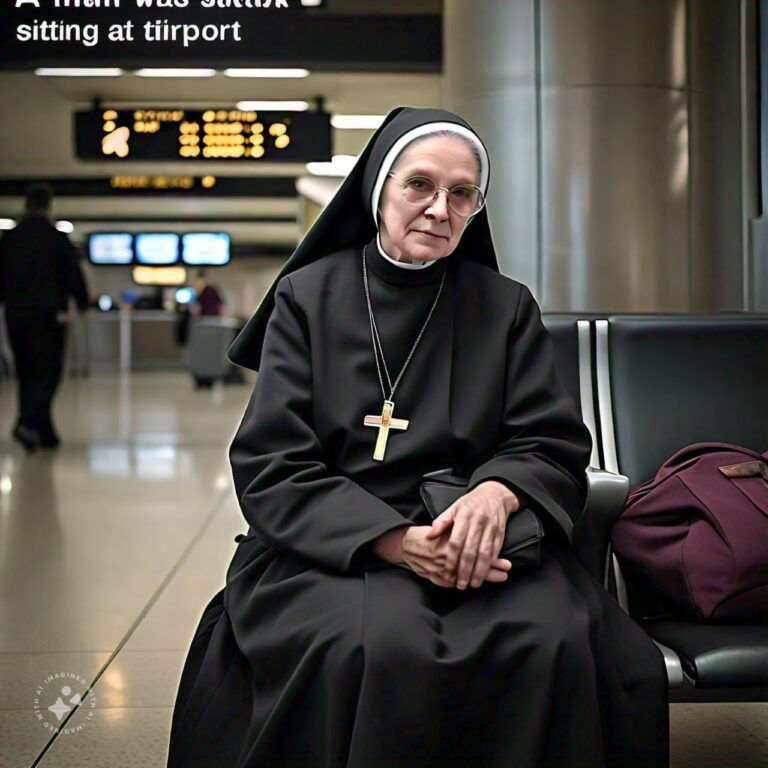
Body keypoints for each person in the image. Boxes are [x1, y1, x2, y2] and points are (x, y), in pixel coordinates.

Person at [167, 107, 669, 768]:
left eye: (461, 194)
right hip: (337, 545)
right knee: (373, 645)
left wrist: (497, 495)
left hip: (478, 539)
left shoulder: (505, 304)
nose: (439, 209)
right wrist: (395, 542)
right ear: (379, 190)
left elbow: (547, 441)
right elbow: (273, 461)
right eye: (419, 186)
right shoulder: (305, 297)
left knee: (549, 637)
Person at [0, 183, 90, 451]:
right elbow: (72, 275)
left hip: (16, 315)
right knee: (48, 372)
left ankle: (43, 431)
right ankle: (27, 423)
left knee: (26, 372)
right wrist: (82, 303)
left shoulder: (10, 239)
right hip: (48, 316)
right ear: (48, 206)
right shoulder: (56, 239)